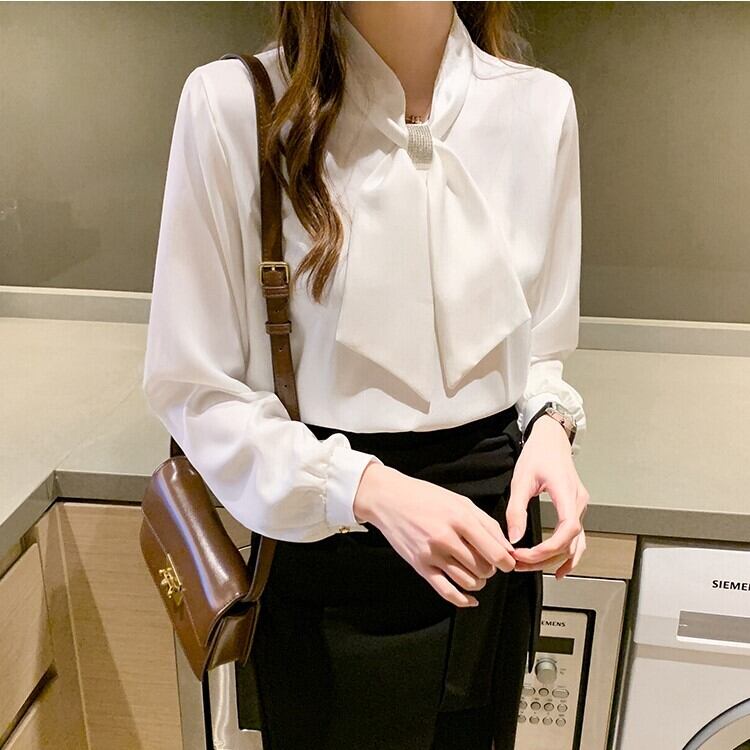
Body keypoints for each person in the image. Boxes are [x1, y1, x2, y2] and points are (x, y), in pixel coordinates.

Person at [142, 2, 590, 748]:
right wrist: (368, 489)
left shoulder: (540, 108)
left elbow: (539, 345)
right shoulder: (235, 107)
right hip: (331, 549)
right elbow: (195, 391)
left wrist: (550, 428)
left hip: (494, 550)